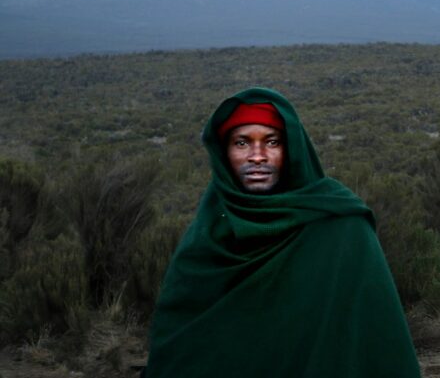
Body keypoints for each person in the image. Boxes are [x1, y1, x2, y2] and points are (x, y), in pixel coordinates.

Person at [144, 87, 421, 377]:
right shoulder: (207, 238)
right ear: (224, 153)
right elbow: (178, 346)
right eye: (241, 143)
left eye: (272, 142)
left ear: (291, 151)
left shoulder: (340, 225)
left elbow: (378, 341)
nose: (257, 156)